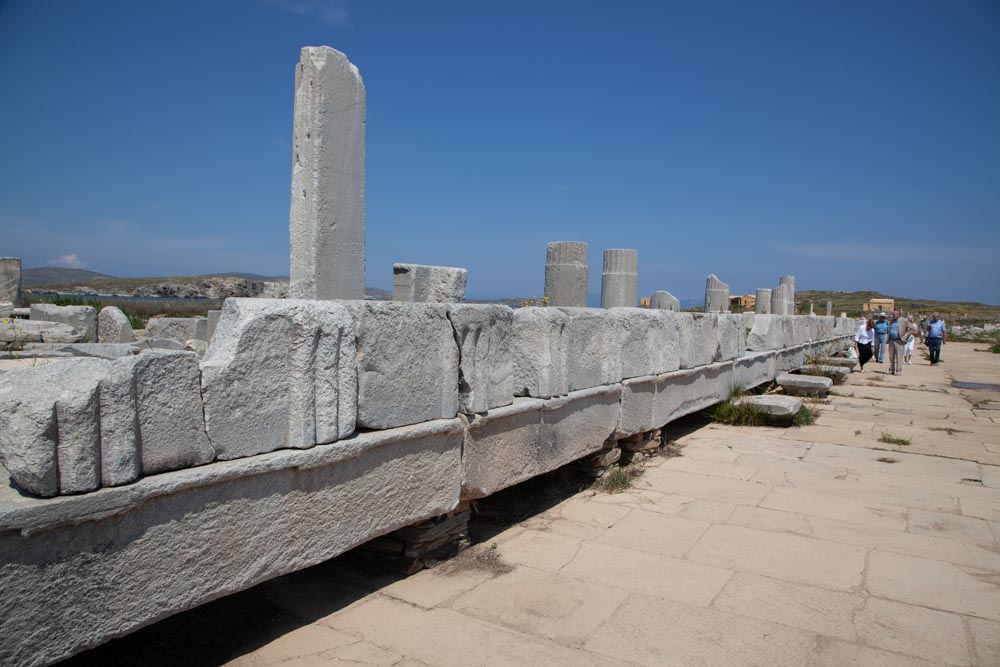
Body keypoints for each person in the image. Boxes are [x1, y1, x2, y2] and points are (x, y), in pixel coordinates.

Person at [887, 309, 912, 375]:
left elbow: (912, 328)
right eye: (892, 314)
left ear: (898, 314)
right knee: (891, 357)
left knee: (899, 356)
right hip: (892, 340)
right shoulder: (891, 321)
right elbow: (889, 329)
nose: (893, 315)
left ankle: (898, 370)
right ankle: (891, 369)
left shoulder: (903, 320)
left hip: (899, 341)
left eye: (894, 314)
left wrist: (906, 335)